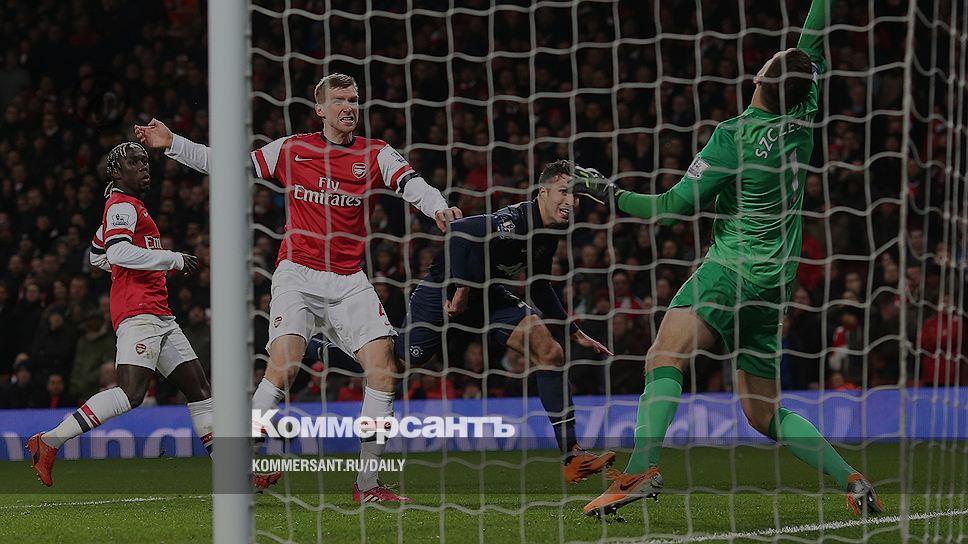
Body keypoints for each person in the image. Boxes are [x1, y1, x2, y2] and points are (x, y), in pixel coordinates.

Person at [573, 0, 883, 517]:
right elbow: (812, 38)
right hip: (775, 285)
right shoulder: (803, 113)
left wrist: (607, 192)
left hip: (731, 269)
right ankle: (851, 479)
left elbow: (669, 210)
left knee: (663, 356)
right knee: (763, 415)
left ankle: (640, 472)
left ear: (761, 77)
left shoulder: (732, 137)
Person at [136, 73, 462, 502]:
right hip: (298, 274)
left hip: (349, 279)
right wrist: (173, 143)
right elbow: (232, 165)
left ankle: (367, 485)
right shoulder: (293, 149)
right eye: (339, 100)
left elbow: (410, 183)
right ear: (320, 109)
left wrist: (439, 207)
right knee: (285, 365)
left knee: (384, 369)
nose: (349, 107)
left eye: (354, 100)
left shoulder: (375, 152)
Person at [396, 159, 615, 483]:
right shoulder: (513, 221)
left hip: (487, 296)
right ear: (543, 192)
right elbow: (458, 231)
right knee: (395, 364)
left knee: (551, 352)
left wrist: (574, 332)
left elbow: (539, 285)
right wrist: (461, 290)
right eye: (564, 192)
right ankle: (322, 349)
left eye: (576, 195)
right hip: (444, 290)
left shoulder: (548, 234)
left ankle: (572, 455)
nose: (571, 201)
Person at [28, 142, 214, 488]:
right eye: (135, 162)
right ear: (116, 172)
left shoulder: (127, 207)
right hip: (138, 311)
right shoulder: (122, 206)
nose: (144, 167)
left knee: (200, 390)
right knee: (131, 393)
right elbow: (117, 253)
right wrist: (172, 259)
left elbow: (98, 255)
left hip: (159, 313)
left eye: (145, 161)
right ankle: (49, 441)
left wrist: (123, 261)